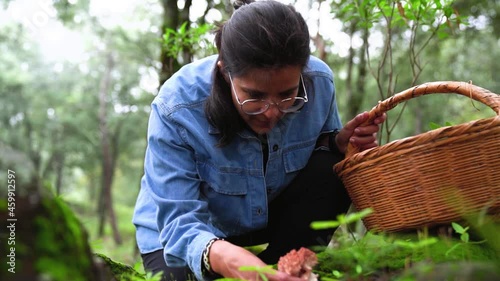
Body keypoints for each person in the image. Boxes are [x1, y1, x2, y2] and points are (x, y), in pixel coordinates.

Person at [132, 0, 385, 280]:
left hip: (269, 215)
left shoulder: (319, 82)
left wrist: (338, 144)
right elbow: (178, 219)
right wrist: (223, 256)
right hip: (183, 231)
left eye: (287, 95)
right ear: (224, 71)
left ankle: (284, 268)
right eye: (255, 96)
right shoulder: (176, 107)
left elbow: (318, 170)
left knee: (334, 167)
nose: (272, 112)